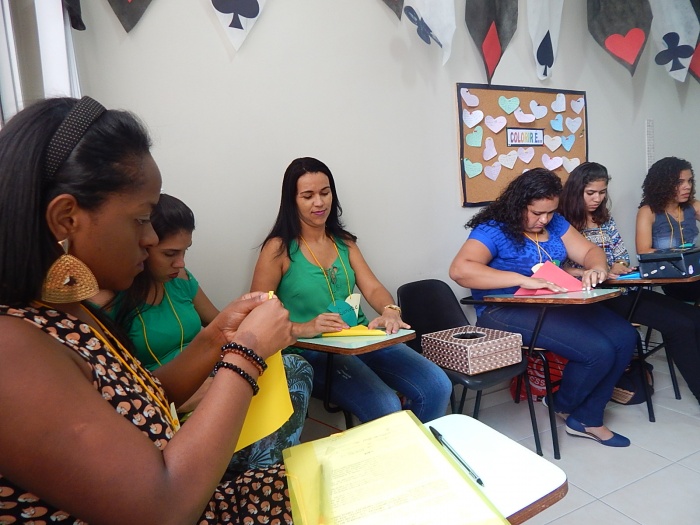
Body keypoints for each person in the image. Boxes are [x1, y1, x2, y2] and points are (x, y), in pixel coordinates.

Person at [0, 96, 295, 524]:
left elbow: (139, 402)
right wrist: (246, 352)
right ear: (66, 218)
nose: (152, 239)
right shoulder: (11, 351)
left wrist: (218, 336)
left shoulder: (61, 307)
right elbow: (161, 509)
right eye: (141, 219)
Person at [101, 193, 313, 475]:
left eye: (185, 251)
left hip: (210, 380)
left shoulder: (181, 281)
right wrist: (205, 390)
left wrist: (271, 324)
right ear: (143, 244)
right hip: (172, 403)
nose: (180, 263)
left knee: (293, 366)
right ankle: (265, 474)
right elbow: (127, 393)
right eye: (170, 254)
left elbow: (221, 326)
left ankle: (265, 469)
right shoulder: (109, 302)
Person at [251, 157, 451, 424]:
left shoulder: (344, 242)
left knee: (437, 385)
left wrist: (390, 311)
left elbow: (373, 287)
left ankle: (414, 447)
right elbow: (257, 317)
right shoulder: (278, 249)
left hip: (359, 339)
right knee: (385, 404)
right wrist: (304, 327)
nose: (319, 203)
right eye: (308, 196)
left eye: (325, 193)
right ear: (292, 201)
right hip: (310, 351)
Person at [449, 168, 636, 447]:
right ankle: (565, 404)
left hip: (551, 303)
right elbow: (460, 270)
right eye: (537, 213)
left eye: (550, 212)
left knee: (625, 336)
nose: (545, 219)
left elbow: (589, 251)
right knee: (597, 350)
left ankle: (585, 417)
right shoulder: (494, 229)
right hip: (504, 310)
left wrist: (596, 267)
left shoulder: (556, 223)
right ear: (518, 204)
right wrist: (523, 279)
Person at [560, 161, 700, 404]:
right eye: (591, 193)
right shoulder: (562, 223)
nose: (597, 199)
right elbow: (557, 267)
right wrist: (591, 271)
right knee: (680, 326)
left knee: (694, 317)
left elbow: (622, 256)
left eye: (602, 193)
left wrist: (619, 265)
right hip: (598, 296)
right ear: (575, 191)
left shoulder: (603, 218)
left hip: (624, 288)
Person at [636, 156, 700, 302]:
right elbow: (643, 251)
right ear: (663, 185)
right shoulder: (648, 212)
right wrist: (681, 255)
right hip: (672, 277)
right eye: (680, 182)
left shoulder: (693, 206)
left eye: (689, 181)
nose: (687, 186)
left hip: (695, 273)